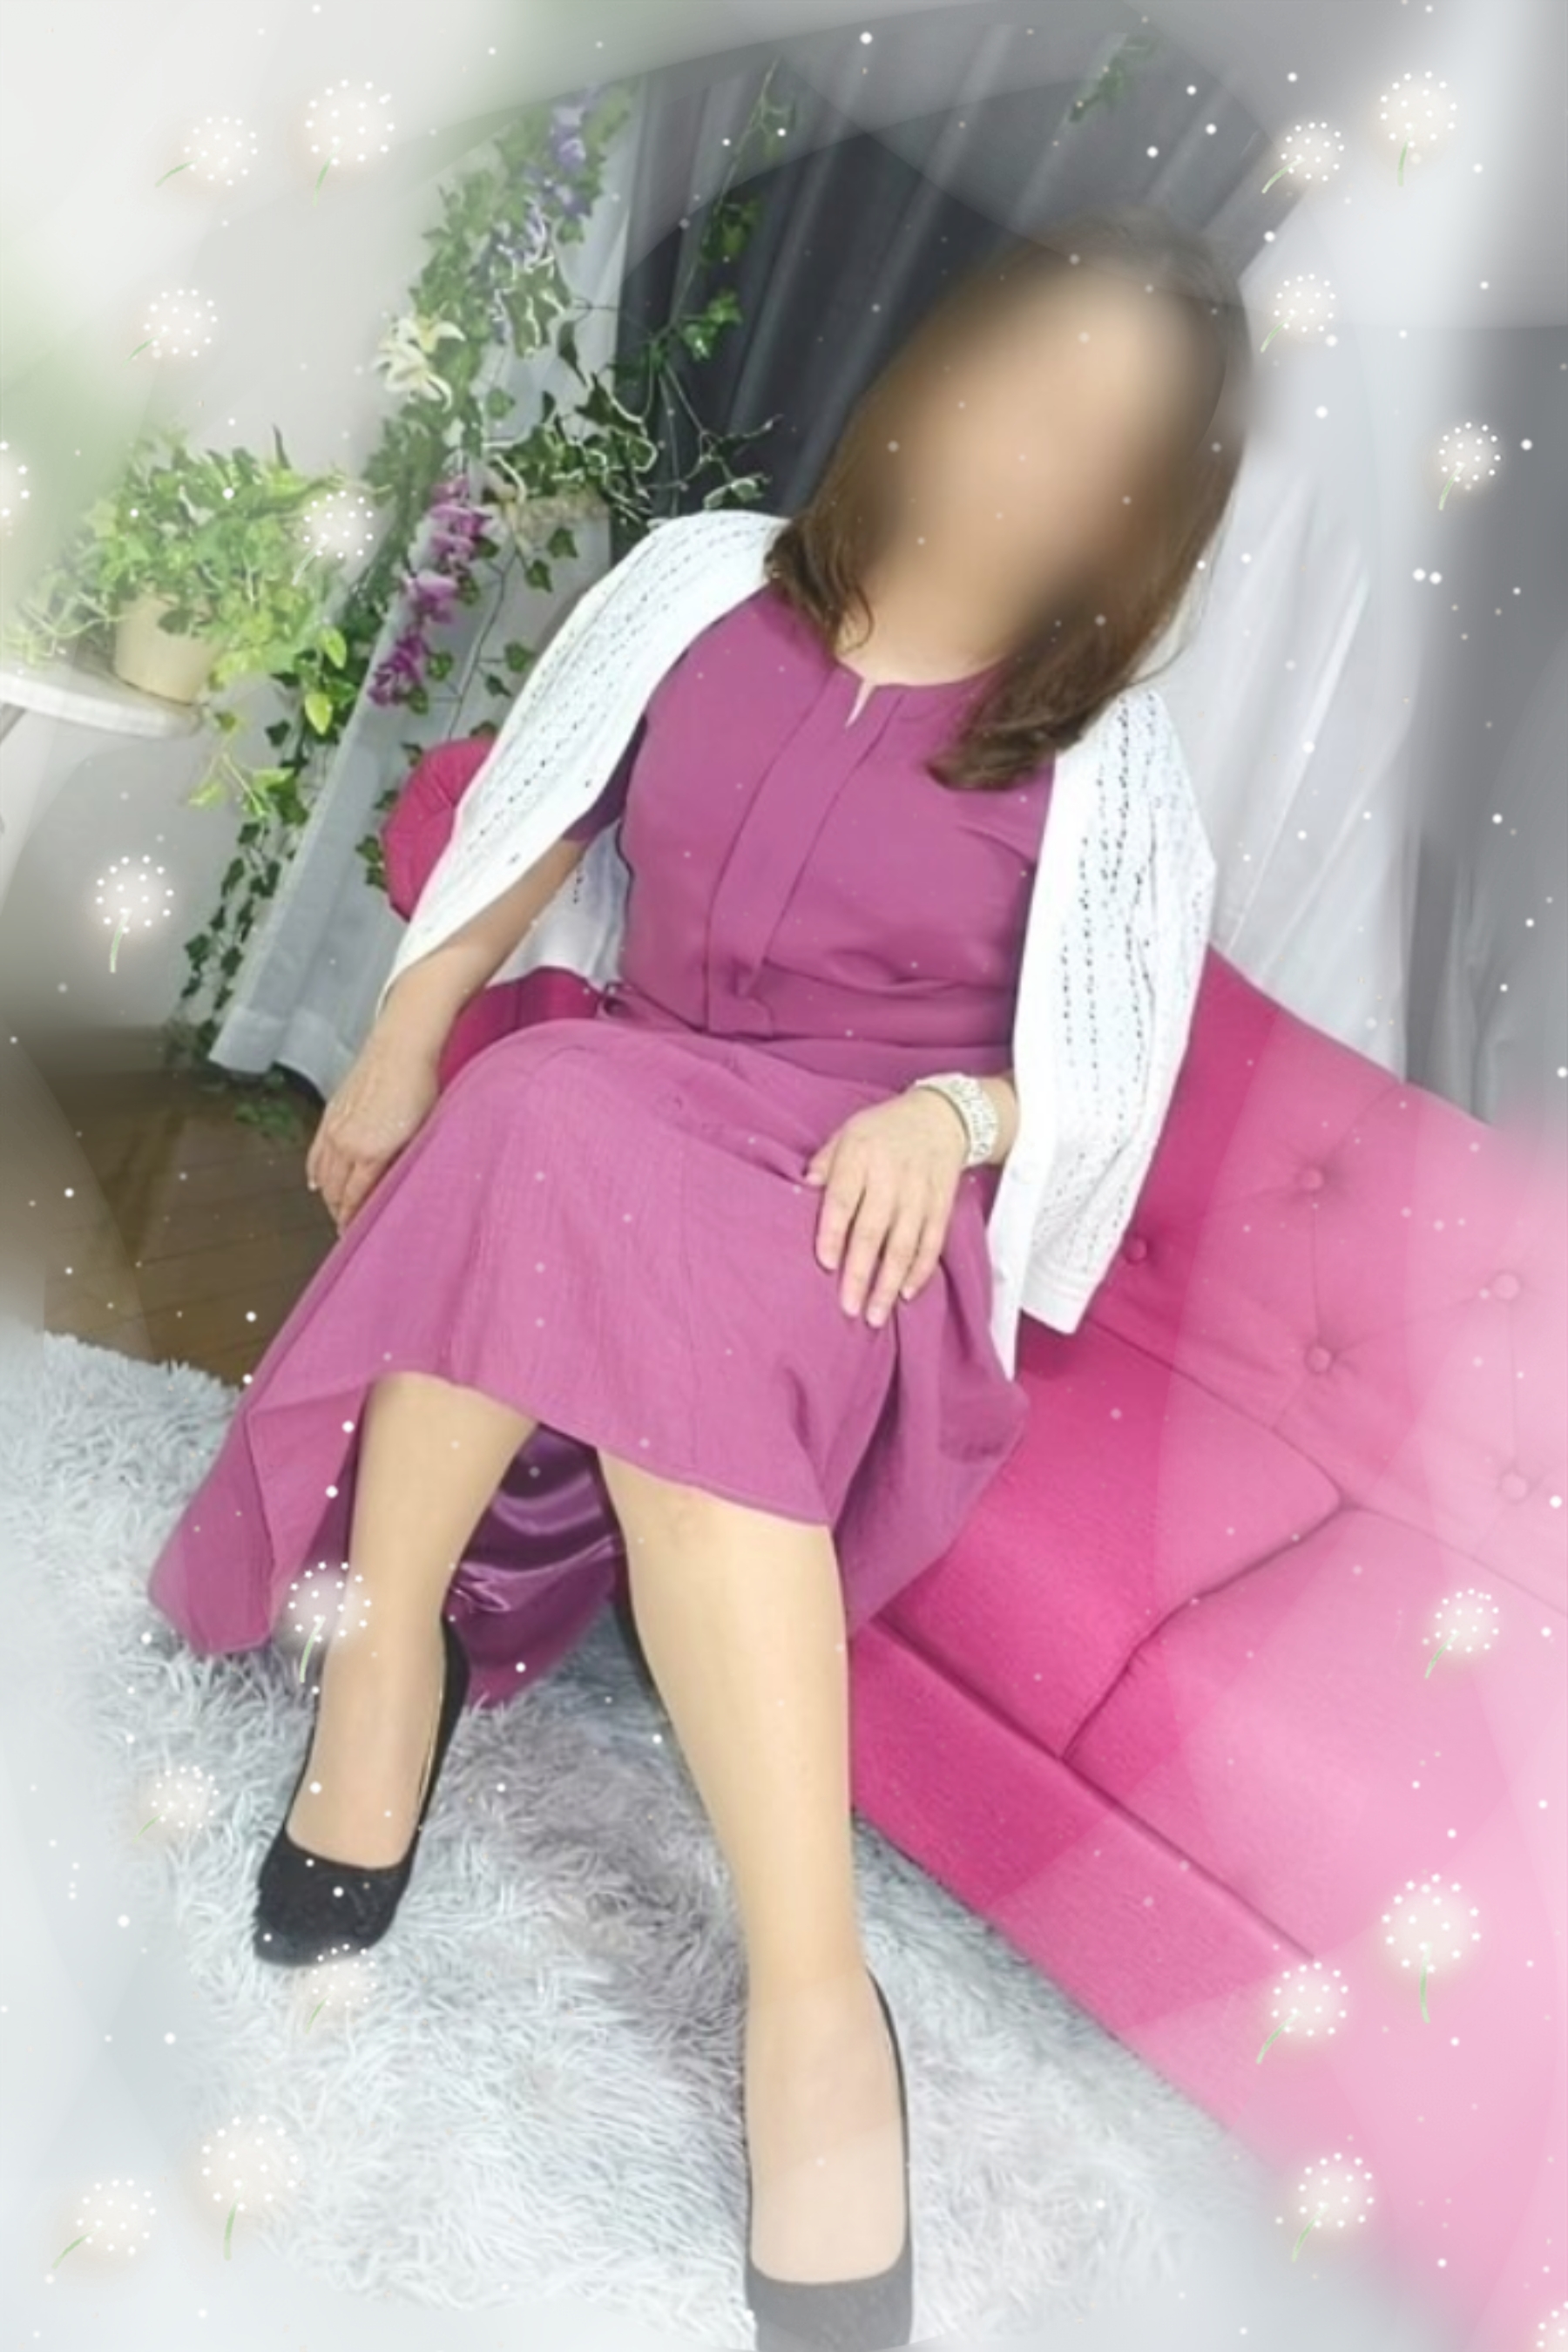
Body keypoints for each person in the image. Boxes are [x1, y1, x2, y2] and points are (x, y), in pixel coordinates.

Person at [145, 203, 1252, 2349]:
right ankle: (385, 1683)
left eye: (1102, 440)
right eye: (1025, 385)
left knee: (552, 1136)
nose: (1034, 453)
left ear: (1144, 507)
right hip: (623, 1104)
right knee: (544, 1108)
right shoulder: (700, 585)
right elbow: (534, 826)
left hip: (849, 1202)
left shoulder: (1111, 759)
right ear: (940, 368)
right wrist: (399, 1028)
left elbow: (1102, 1079)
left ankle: (809, 1996)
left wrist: (953, 1121)